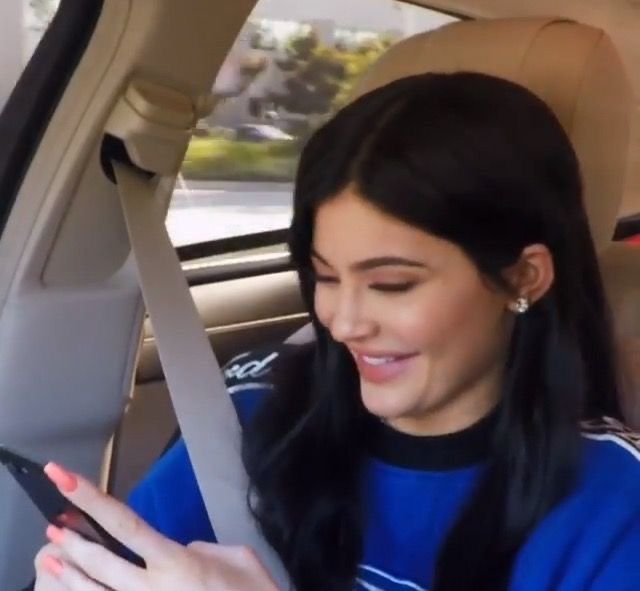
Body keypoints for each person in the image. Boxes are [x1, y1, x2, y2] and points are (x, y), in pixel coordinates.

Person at [34, 72, 640, 591]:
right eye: (324, 277)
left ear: (522, 278)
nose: (344, 323)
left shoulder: (616, 504)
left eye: (392, 285)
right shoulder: (249, 417)